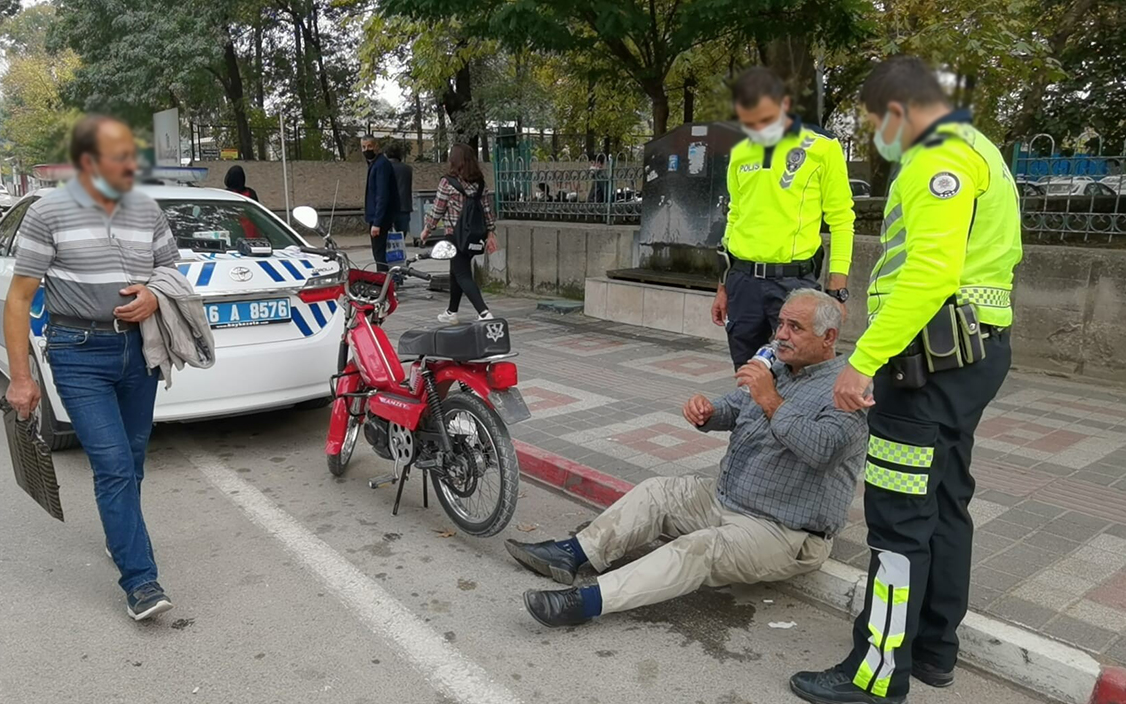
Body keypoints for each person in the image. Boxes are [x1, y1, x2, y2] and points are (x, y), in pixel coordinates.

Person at [790, 57, 1022, 704]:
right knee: (946, 502)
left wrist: (864, 360)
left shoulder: (934, 159)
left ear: (897, 110)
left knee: (897, 522)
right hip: (972, 357)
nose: (875, 135)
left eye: (872, 121)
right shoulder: (982, 150)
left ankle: (876, 672)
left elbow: (929, 274)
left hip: (925, 365)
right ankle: (933, 651)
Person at [509, 290, 866, 627]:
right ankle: (573, 553)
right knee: (655, 492)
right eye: (781, 324)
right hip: (727, 499)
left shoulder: (847, 390)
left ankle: (586, 602)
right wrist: (708, 411)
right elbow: (738, 404)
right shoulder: (782, 369)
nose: (780, 335)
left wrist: (770, 398)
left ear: (829, 337)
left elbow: (822, 450)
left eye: (795, 328)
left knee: (697, 549)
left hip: (784, 530)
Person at [2, 115, 181, 622]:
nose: (132, 164)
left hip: (139, 351)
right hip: (77, 351)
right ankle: (141, 580)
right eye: (119, 156)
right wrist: (21, 377)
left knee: (135, 456)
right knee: (114, 464)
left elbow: (171, 267)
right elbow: (18, 300)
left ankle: (120, 537)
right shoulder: (49, 213)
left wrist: (153, 293)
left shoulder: (145, 210)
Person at [714, 67, 856, 368]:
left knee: (799, 372)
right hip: (743, 284)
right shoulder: (740, 151)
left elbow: (842, 219)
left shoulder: (822, 147)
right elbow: (735, 215)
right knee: (748, 374)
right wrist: (723, 286)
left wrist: (836, 290)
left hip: (793, 283)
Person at [419, 143, 499, 323]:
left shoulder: (447, 182)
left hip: (454, 235)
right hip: (474, 235)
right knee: (456, 270)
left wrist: (427, 230)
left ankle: (484, 312)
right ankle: (451, 312)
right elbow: (487, 211)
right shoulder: (480, 183)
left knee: (462, 273)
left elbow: (438, 210)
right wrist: (490, 233)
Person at [362, 135, 401, 271]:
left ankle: (384, 282)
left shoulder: (381, 165)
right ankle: (384, 281)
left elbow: (382, 194)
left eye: (369, 146)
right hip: (377, 216)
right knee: (379, 253)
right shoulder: (376, 164)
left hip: (379, 218)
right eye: (363, 147)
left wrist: (377, 222)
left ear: (376, 147)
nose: (366, 150)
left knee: (380, 254)